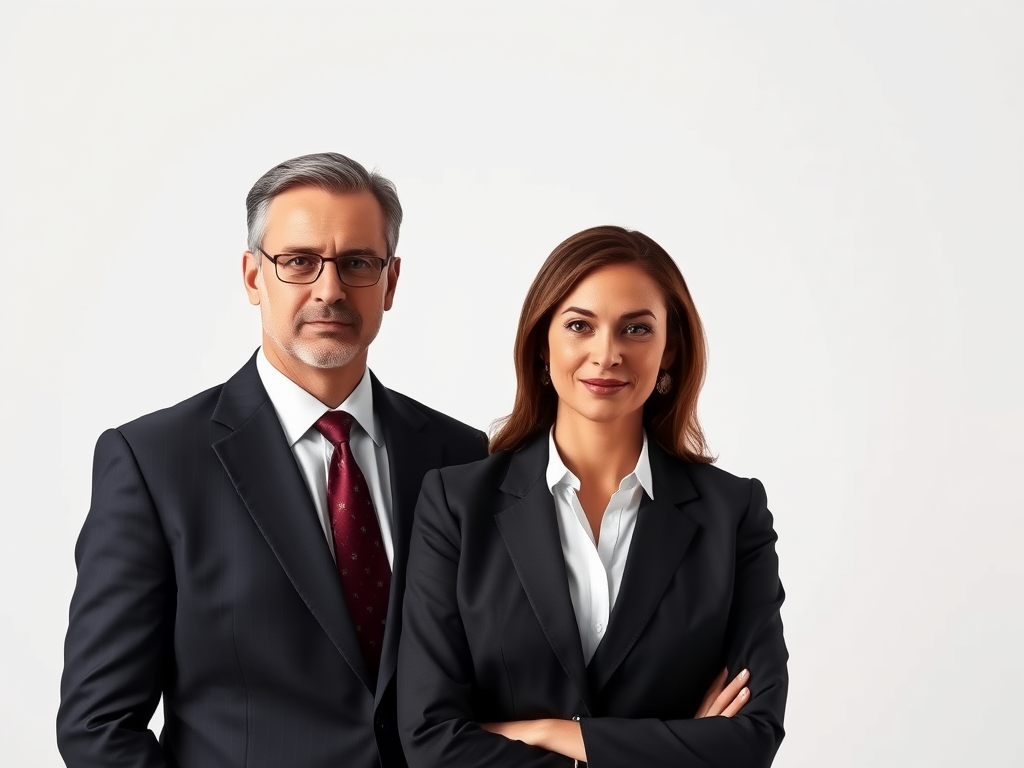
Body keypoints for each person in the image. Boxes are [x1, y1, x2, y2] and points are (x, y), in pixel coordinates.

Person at [56, 152, 489, 768]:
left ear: (390, 283)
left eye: (358, 263)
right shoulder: (153, 465)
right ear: (254, 276)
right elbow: (98, 726)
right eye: (299, 262)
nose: (330, 289)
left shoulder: (465, 458)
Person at [397, 225, 788, 767]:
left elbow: (751, 740)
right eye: (581, 325)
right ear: (543, 344)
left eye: (636, 329)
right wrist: (673, 749)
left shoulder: (733, 514)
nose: (607, 354)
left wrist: (552, 733)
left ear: (669, 351)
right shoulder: (456, 506)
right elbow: (430, 741)